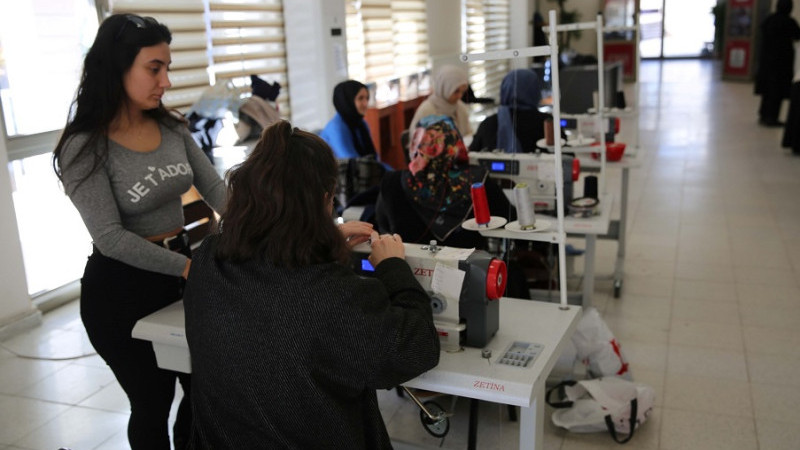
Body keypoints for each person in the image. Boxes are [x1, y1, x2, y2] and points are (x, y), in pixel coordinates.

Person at [183, 120, 440, 449]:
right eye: (331, 201)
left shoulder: (208, 262)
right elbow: (417, 348)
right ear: (323, 200)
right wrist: (393, 268)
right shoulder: (333, 295)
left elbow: (271, 289)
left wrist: (323, 241)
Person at [52, 14, 226, 450]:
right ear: (117, 67)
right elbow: (110, 236)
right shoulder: (84, 146)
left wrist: (279, 229)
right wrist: (188, 268)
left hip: (182, 275)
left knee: (205, 388)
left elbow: (217, 190)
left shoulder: (171, 126)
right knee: (152, 401)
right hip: (121, 291)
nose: (165, 81)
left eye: (167, 67)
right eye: (154, 68)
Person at [376, 115, 510, 249]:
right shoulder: (476, 180)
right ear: (455, 143)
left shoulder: (391, 182)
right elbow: (508, 219)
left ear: (416, 143)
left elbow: (382, 226)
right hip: (468, 268)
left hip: (407, 267)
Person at [469, 68, 548, 153]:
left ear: (505, 89)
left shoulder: (488, 124)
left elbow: (472, 155)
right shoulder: (547, 124)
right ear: (536, 90)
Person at [755, 0, 800, 127]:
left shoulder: (769, 20)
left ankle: (763, 115)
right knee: (777, 92)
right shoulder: (788, 22)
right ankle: (772, 118)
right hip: (781, 64)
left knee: (767, 91)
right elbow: (797, 35)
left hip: (767, 62)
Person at [320, 79, 378, 160]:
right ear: (347, 101)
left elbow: (374, 158)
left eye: (367, 98)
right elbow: (351, 162)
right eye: (360, 98)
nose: (365, 103)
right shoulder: (336, 128)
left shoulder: (361, 124)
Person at [408, 65, 473, 137]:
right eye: (456, 91)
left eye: (462, 92)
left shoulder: (460, 108)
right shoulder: (427, 110)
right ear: (444, 88)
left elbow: (468, 135)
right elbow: (416, 141)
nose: (460, 96)